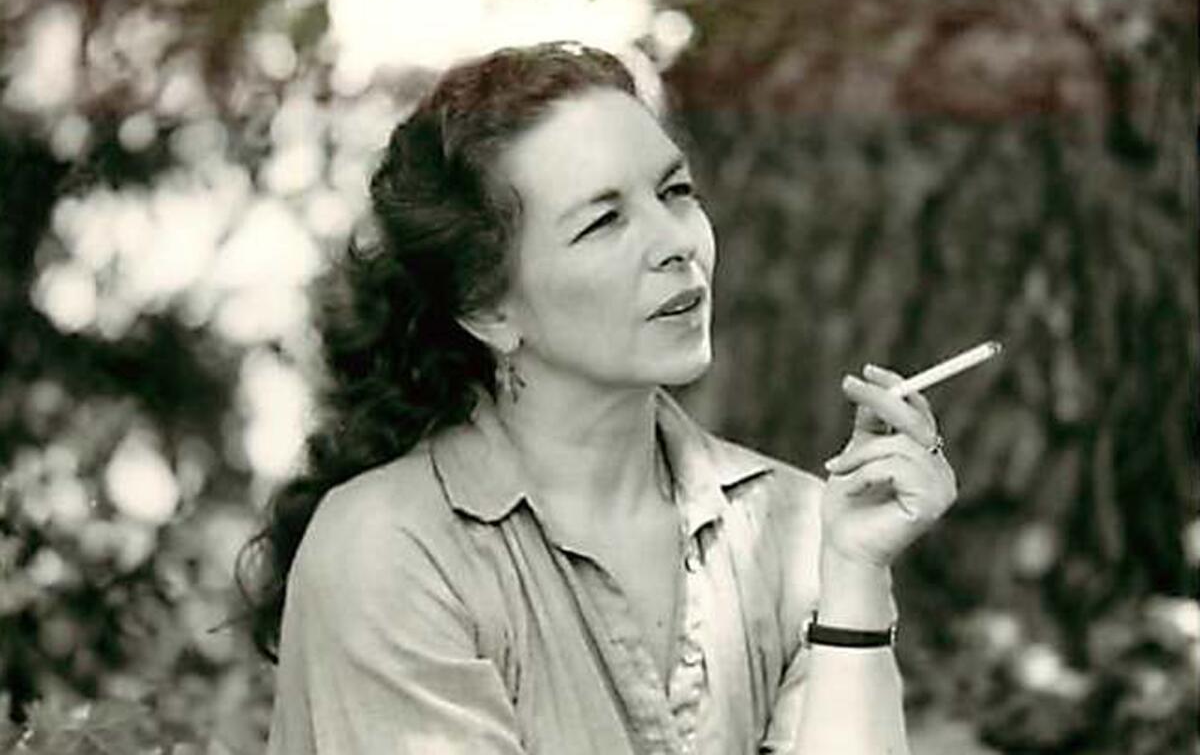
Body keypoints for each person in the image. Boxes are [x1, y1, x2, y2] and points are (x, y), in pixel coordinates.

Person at [242, 41, 958, 754]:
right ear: (489, 310)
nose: (674, 242)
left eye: (675, 192)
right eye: (603, 222)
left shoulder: (801, 530)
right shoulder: (390, 550)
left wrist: (855, 576)